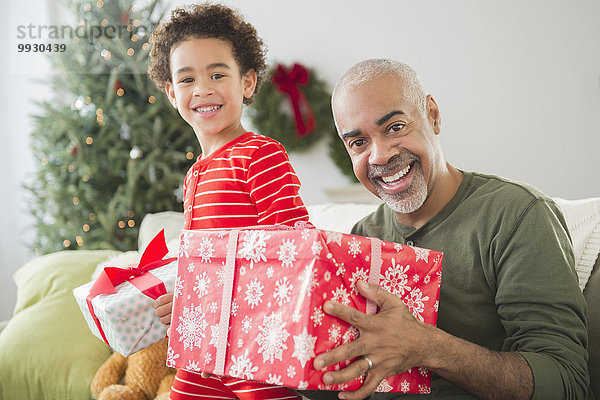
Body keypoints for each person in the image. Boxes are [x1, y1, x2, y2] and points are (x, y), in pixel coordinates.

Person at [301, 59, 589, 400]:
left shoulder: (517, 215)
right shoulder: (362, 236)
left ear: (433, 115)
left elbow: (566, 383)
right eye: (359, 143)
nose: (379, 156)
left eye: (394, 127)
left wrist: (426, 346)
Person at [147, 4, 307, 400]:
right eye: (187, 79)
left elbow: (295, 250)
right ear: (172, 93)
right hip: (202, 343)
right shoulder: (193, 175)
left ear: (247, 83)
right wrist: (182, 294)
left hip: (254, 341)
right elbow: (201, 260)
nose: (202, 88)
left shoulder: (259, 154)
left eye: (217, 74)